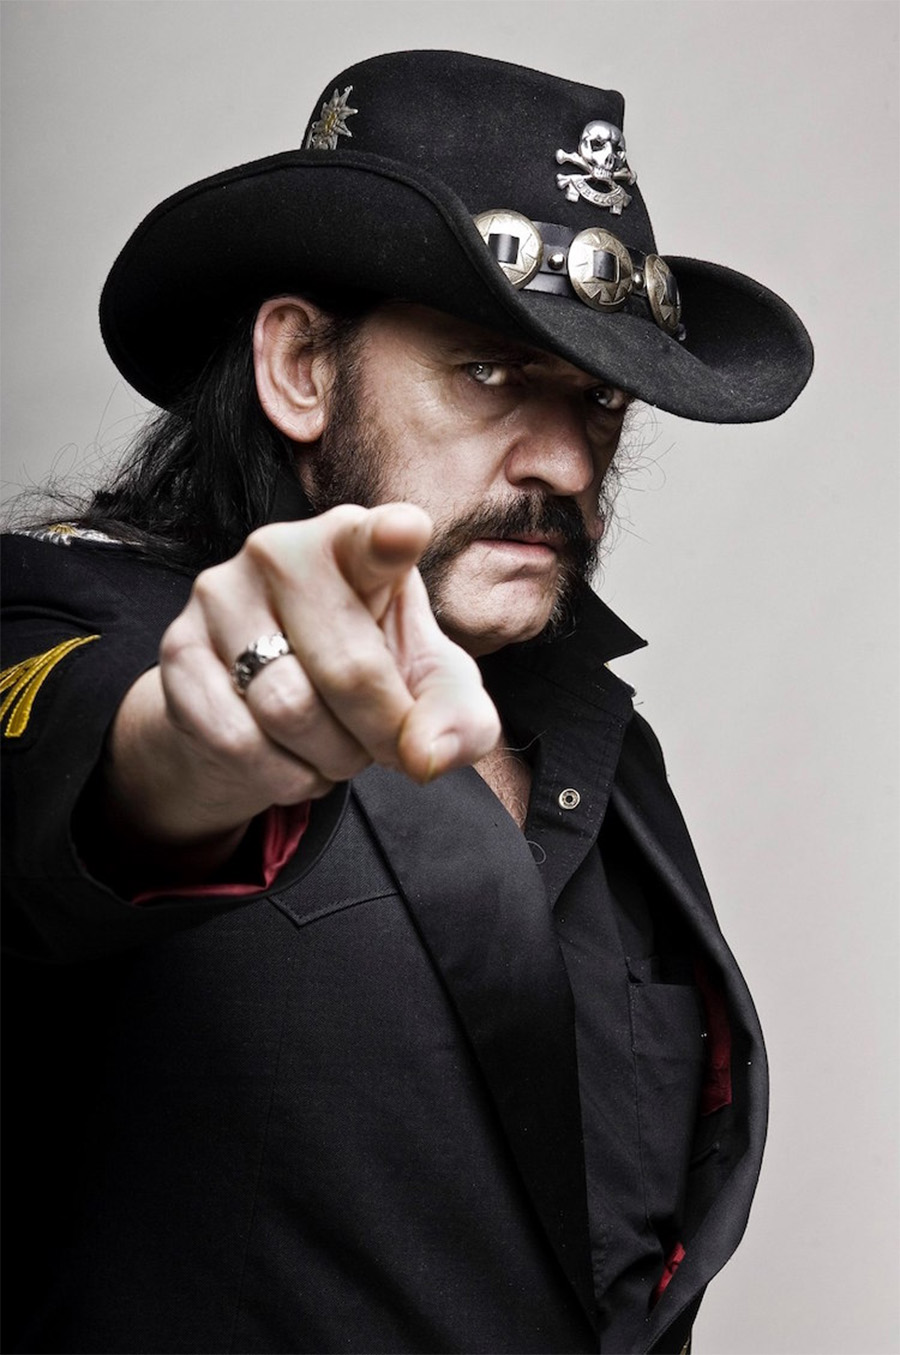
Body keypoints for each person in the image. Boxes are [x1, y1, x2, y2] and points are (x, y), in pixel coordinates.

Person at [1, 50, 813, 1355]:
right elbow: (77, 769)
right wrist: (188, 766)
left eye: (599, 397)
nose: (566, 461)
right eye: (489, 372)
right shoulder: (70, 624)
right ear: (301, 368)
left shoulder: (610, 755)